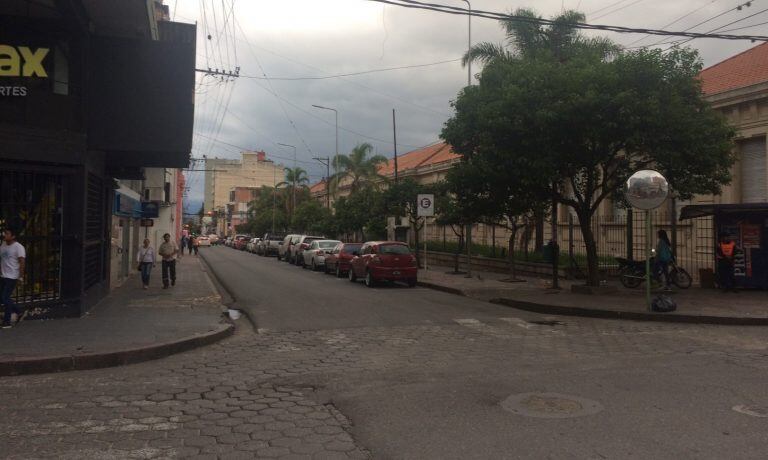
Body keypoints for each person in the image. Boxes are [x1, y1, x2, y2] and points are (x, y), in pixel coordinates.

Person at [1, 227, 26, 328]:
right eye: (4, 233)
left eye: (7, 234)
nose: (4, 235)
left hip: (12, 276)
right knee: (2, 298)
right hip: (3, 275)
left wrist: (20, 277)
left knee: (5, 298)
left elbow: (22, 262)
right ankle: (19, 311)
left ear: (13, 236)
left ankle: (7, 322)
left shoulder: (18, 247)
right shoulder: (3, 245)